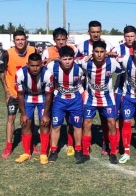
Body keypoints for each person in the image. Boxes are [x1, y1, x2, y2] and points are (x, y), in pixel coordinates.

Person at [76, 41, 123, 164]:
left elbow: (124, 66)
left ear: (105, 52)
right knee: (86, 123)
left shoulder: (112, 63)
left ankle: (113, 152)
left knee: (112, 123)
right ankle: (85, 152)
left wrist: (115, 56)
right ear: (92, 53)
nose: (99, 54)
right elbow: (71, 59)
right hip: (91, 98)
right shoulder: (86, 63)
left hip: (107, 99)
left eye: (102, 52)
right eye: (96, 52)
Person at [76, 20, 116, 155]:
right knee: (86, 120)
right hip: (87, 86)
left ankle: (106, 143)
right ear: (88, 32)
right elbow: (74, 60)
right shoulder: (82, 46)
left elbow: (116, 58)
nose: (95, 34)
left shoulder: (108, 45)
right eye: (93, 32)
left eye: (98, 32)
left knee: (106, 119)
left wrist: (110, 55)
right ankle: (86, 145)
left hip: (105, 87)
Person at [0, 30, 36, 158]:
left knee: (28, 120)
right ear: (14, 41)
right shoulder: (7, 53)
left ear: (26, 40)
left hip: (28, 94)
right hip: (13, 94)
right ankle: (8, 146)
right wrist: (6, 92)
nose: (20, 42)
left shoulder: (33, 50)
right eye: (18, 39)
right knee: (11, 118)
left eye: (22, 39)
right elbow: (1, 73)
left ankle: (31, 144)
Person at [42, 27, 79, 157]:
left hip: (71, 92)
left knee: (71, 120)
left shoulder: (73, 49)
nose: (61, 42)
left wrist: (55, 59)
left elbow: (78, 63)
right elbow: (44, 68)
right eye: (58, 39)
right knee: (54, 120)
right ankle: (51, 147)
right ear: (54, 40)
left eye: (63, 39)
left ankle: (70, 145)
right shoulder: (47, 51)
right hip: (54, 92)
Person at [46, 46, 84, 163]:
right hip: (59, 100)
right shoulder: (52, 67)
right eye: (64, 59)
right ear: (60, 59)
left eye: (69, 59)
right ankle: (53, 151)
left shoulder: (79, 69)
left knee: (77, 126)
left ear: (73, 59)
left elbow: (82, 81)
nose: (67, 62)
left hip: (75, 100)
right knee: (56, 125)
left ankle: (78, 150)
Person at [14, 53, 53, 164]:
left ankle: (44, 154)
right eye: (32, 65)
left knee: (44, 123)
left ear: (41, 64)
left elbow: (49, 95)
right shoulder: (20, 74)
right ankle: (26, 153)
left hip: (43, 97)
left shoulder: (47, 74)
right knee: (25, 123)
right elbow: (20, 95)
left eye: (37, 65)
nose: (35, 68)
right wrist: (23, 114)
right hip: (27, 97)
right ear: (27, 65)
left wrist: (45, 114)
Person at [112, 25, 136, 156]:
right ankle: (117, 144)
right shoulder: (118, 49)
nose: (130, 39)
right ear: (124, 37)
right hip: (120, 89)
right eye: (127, 36)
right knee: (117, 117)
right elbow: (113, 65)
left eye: (132, 36)